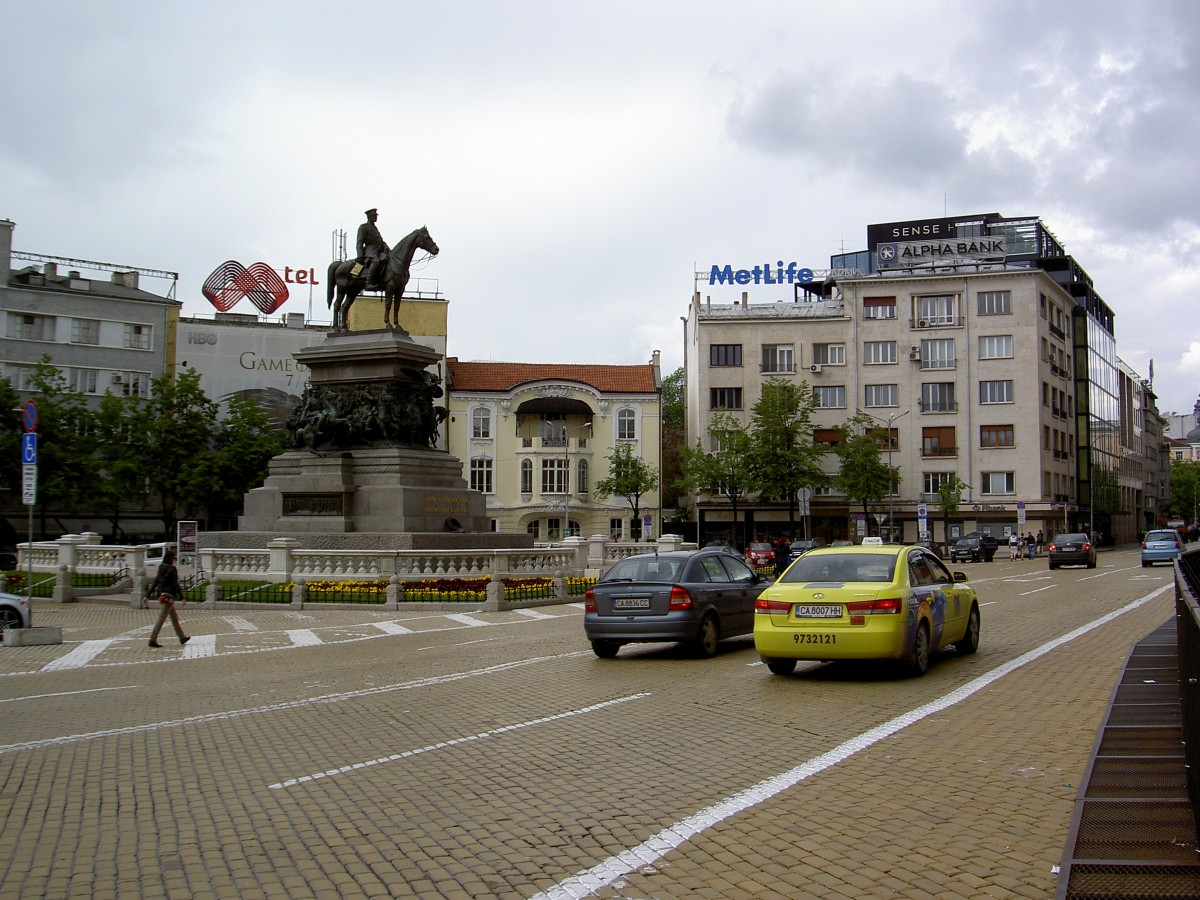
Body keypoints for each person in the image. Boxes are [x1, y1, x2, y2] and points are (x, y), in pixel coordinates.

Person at [148, 549, 190, 648]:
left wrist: (147, 595)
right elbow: (175, 584)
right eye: (174, 558)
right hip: (169, 597)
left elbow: (155, 582)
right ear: (171, 558)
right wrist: (182, 597)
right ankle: (152, 639)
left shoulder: (161, 567)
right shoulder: (172, 569)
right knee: (161, 619)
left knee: (174, 618)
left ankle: (182, 637)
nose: (175, 559)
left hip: (162, 595)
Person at [356, 208, 389, 290]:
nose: (376, 217)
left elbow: (381, 241)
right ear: (369, 217)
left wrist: (388, 250)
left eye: (376, 215)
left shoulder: (375, 228)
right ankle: (368, 283)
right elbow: (359, 242)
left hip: (378, 250)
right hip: (370, 250)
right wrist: (360, 256)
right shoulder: (363, 227)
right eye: (374, 216)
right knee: (376, 261)